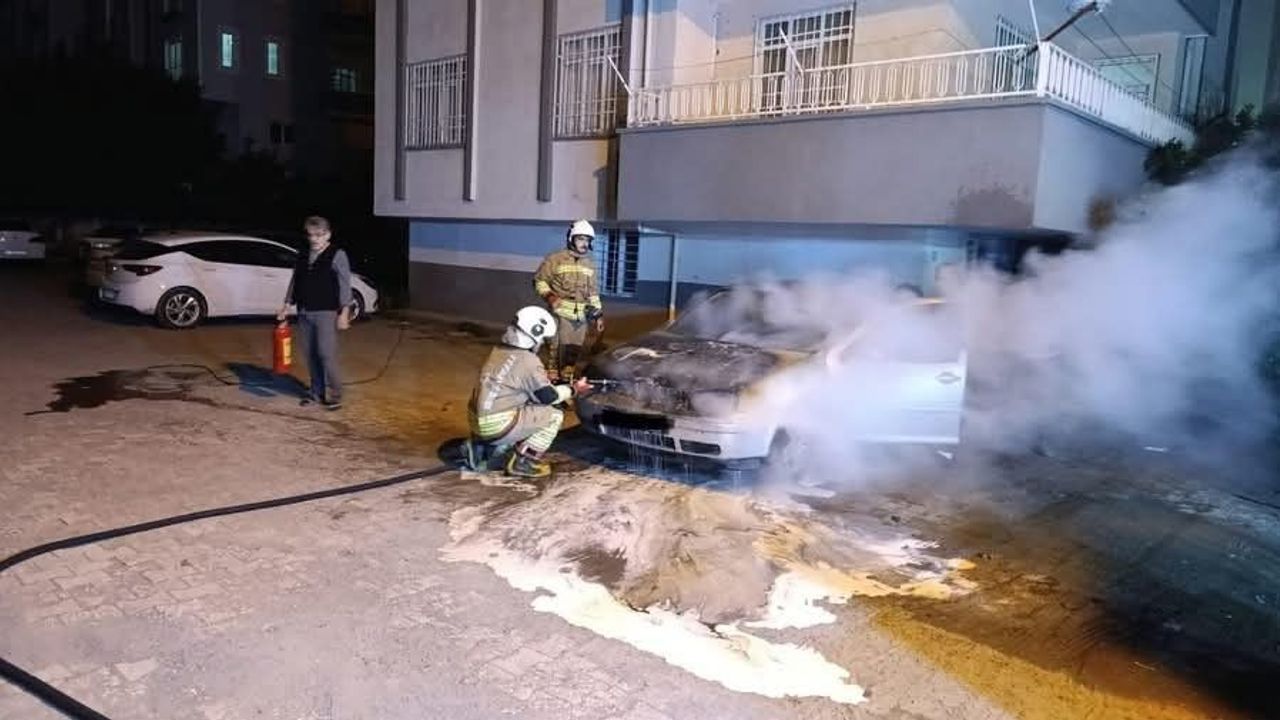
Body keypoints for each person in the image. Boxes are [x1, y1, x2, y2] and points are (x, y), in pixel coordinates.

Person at [465, 306, 591, 478]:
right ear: (535, 335)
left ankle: (480, 449)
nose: (542, 343)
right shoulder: (528, 360)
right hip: (497, 426)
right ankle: (523, 462)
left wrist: (540, 378)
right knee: (554, 414)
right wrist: (574, 389)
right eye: (542, 339)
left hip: (476, 421)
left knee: (525, 404)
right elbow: (549, 397)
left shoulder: (498, 351)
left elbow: (512, 377)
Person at [277, 216, 352, 411]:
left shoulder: (337, 254)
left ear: (328, 235)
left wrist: (344, 312)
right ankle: (316, 392)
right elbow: (296, 280)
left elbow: (345, 284)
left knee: (326, 354)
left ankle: (336, 394)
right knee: (310, 355)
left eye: (319, 235)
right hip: (304, 312)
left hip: (326, 312)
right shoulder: (303, 253)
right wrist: (286, 304)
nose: (314, 239)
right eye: (311, 235)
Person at [533, 220, 604, 382]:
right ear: (571, 239)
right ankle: (552, 383)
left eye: (587, 240)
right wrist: (550, 296)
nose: (584, 243)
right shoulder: (555, 259)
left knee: (573, 353)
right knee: (555, 351)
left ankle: (567, 382)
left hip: (580, 318)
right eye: (580, 239)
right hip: (559, 314)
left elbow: (593, 293)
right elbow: (539, 281)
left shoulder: (590, 264)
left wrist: (599, 315)